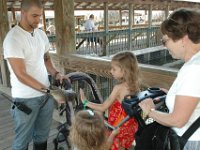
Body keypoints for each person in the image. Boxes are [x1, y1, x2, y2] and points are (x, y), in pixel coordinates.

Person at [3, 0, 68, 150]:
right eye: (34, 16)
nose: (38, 20)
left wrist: (56, 73)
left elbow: (46, 59)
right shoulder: (13, 39)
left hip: (45, 97)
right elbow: (21, 74)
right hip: (25, 99)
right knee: (22, 142)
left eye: (40, 16)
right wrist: (50, 91)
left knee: (42, 137)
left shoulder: (41, 34)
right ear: (22, 12)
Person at [139, 8, 200, 150]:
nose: (164, 45)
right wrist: (172, 95)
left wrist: (150, 111)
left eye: (165, 40)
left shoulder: (194, 68)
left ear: (184, 39)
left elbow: (178, 120)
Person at [80, 51, 141, 150]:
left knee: (96, 115)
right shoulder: (136, 86)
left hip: (116, 130)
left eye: (114, 69)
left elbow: (103, 107)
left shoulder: (119, 88)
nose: (111, 71)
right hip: (130, 128)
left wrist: (85, 101)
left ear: (124, 71)